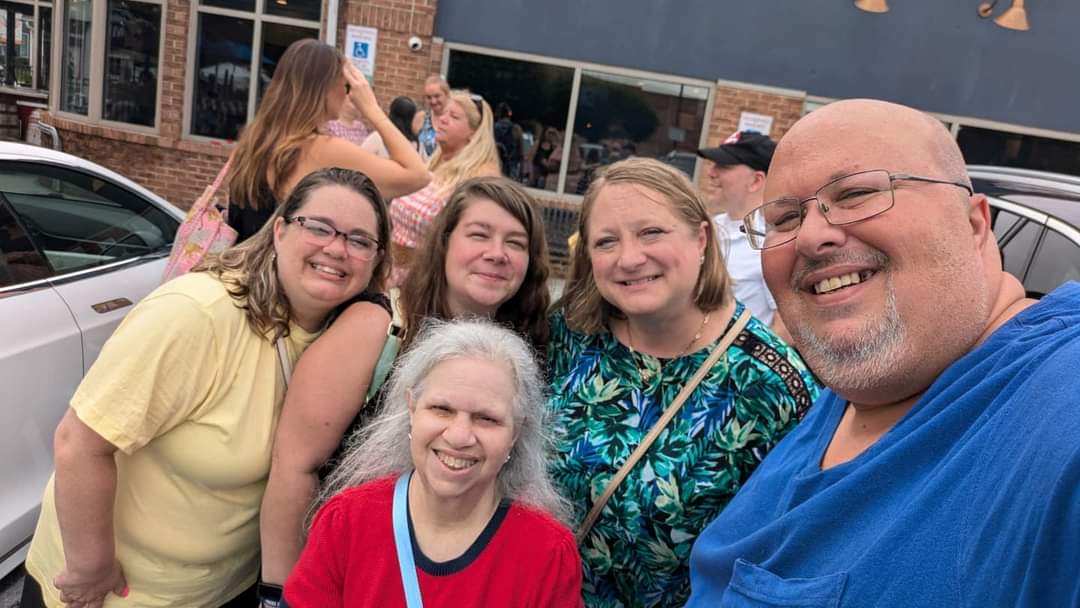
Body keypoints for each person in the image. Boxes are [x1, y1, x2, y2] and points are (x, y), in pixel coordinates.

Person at [686, 99, 1080, 607]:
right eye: (785, 218)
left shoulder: (1061, 412)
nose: (811, 236)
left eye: (856, 193)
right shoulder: (867, 384)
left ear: (973, 224)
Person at [21, 168, 392, 608]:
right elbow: (79, 443)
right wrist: (90, 566)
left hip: (224, 590)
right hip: (121, 593)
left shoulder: (346, 339)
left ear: (376, 260)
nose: (336, 248)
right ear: (279, 231)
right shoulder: (197, 313)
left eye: (359, 240)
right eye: (318, 227)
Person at [549, 158, 820, 608]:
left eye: (651, 232)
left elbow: (785, 555)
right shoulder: (570, 333)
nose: (630, 258)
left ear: (701, 239)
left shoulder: (771, 385)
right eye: (607, 241)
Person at [258, 176, 552, 590]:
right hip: (348, 577)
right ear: (444, 243)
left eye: (516, 243)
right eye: (479, 234)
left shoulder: (525, 356)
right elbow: (295, 466)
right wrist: (278, 591)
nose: (496, 253)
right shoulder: (377, 327)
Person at [282, 319, 584, 607]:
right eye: (442, 409)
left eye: (486, 418)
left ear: (516, 433)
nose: (459, 436)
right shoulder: (346, 523)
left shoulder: (546, 553)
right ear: (412, 409)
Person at [225, 39, 427, 242]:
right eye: (345, 84)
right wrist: (371, 108)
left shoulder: (255, 139)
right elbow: (417, 175)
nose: (348, 93)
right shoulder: (317, 149)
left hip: (243, 258)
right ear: (326, 88)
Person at [388, 90, 501, 286]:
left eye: (454, 116)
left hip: (426, 284)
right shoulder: (431, 165)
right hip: (391, 274)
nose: (443, 119)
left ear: (474, 133)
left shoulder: (478, 181)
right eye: (444, 113)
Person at [697, 130, 787, 339]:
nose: (711, 173)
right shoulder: (709, 228)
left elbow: (784, 328)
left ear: (756, 180)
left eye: (724, 166)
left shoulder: (772, 243)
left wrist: (733, 360)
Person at [417, 75, 450, 161]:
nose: (433, 101)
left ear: (447, 94)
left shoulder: (454, 120)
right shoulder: (421, 118)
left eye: (437, 96)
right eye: (429, 97)